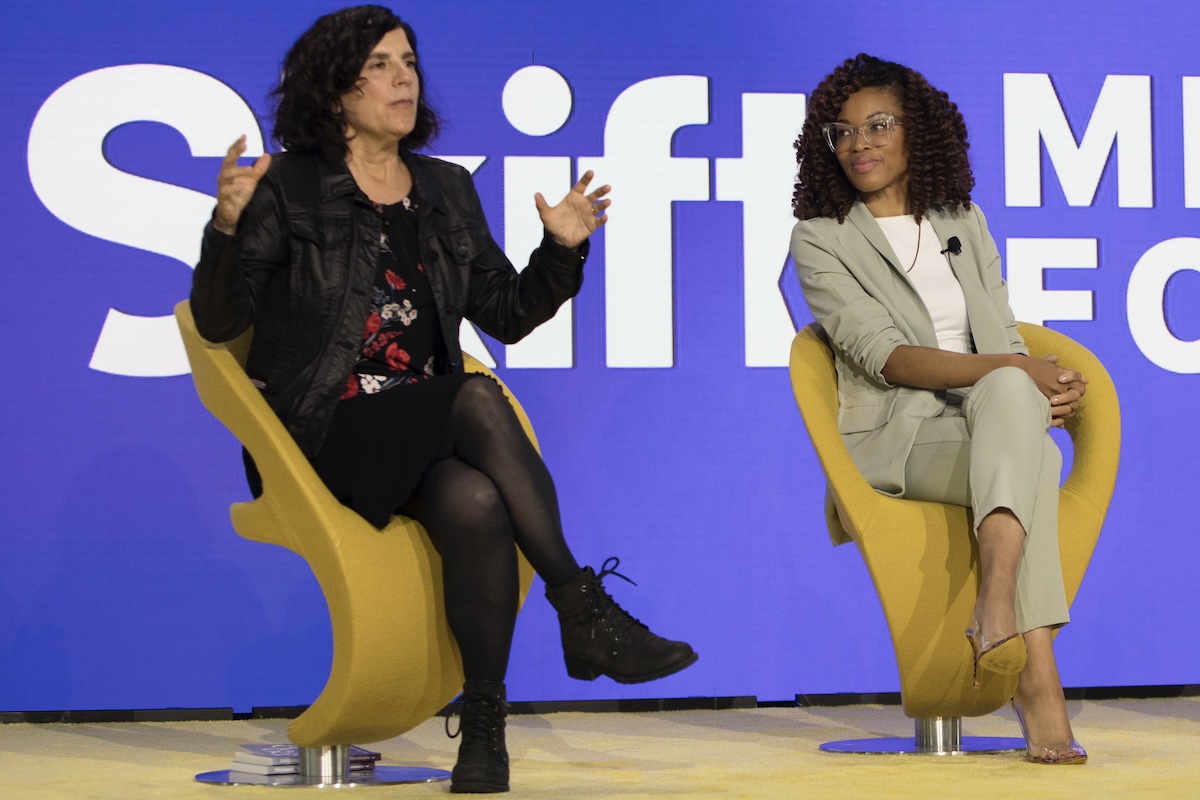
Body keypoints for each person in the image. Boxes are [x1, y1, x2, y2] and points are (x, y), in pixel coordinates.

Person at [190, 6, 696, 793]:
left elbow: (507, 315)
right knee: (474, 398)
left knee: (475, 499)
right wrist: (225, 228)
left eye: (409, 62)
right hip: (317, 432)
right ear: (335, 92)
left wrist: (561, 250)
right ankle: (583, 610)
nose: (404, 79)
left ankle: (485, 728)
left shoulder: (446, 189)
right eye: (382, 66)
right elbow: (220, 322)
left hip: (414, 433)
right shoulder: (289, 186)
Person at [790, 54, 1089, 765]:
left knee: (1022, 416)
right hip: (895, 440)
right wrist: (1017, 374)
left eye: (878, 125)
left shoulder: (963, 218)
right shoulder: (820, 237)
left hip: (991, 422)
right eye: (842, 131)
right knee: (1032, 450)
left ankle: (1000, 610)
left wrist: (1041, 383)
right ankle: (1037, 672)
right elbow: (888, 358)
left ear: (915, 130)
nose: (858, 143)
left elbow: (1005, 332)